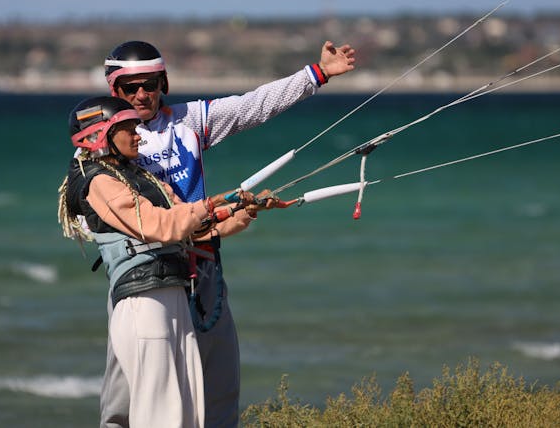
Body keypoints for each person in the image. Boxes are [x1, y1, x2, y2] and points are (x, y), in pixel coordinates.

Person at [100, 39, 356, 428]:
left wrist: (316, 75)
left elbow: (252, 105)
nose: (140, 95)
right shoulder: (100, 147)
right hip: (144, 283)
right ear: (113, 91)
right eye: (128, 88)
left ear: (163, 83)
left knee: (219, 393)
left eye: (149, 84)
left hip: (202, 272)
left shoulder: (188, 121)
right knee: (127, 401)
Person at [58, 96, 267, 427]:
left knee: (186, 413)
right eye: (128, 129)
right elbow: (161, 225)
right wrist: (212, 204)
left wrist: (242, 212)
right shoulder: (99, 181)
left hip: (172, 298)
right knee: (162, 415)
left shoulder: (140, 177)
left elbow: (191, 229)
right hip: (143, 301)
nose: (139, 135)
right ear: (101, 134)